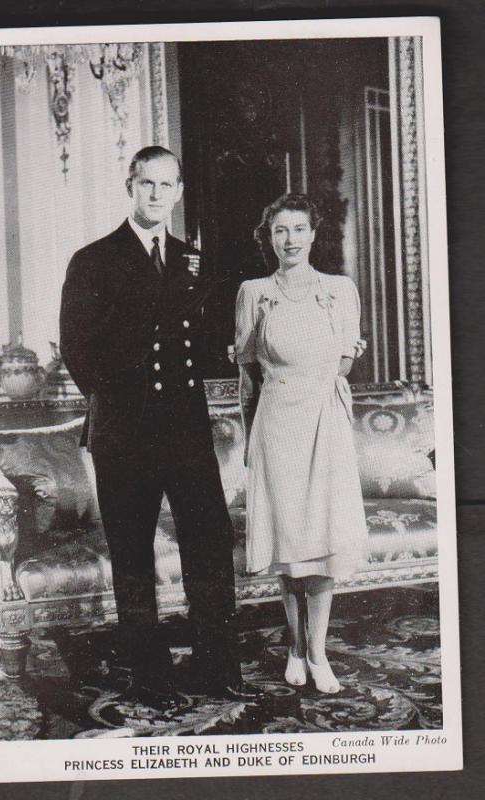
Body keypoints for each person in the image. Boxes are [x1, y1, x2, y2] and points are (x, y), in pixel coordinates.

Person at [60, 146, 256, 704]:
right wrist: (122, 403)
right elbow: (78, 351)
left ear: (177, 193)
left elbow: (203, 338)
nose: (156, 195)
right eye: (147, 184)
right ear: (131, 185)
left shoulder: (191, 259)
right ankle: (150, 673)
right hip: (125, 430)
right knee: (133, 552)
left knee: (210, 541)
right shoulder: (94, 259)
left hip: (187, 428)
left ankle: (217, 665)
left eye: (166, 186)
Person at [235, 193, 368, 694]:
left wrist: (318, 394)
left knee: (325, 540)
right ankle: (294, 645)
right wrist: (252, 440)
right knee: (290, 544)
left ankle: (318, 652)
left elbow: (344, 362)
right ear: (269, 239)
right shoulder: (253, 291)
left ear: (314, 234)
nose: (290, 240)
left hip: (324, 421)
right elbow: (247, 371)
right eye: (280, 231)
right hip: (276, 425)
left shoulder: (339, 289)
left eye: (298, 229)